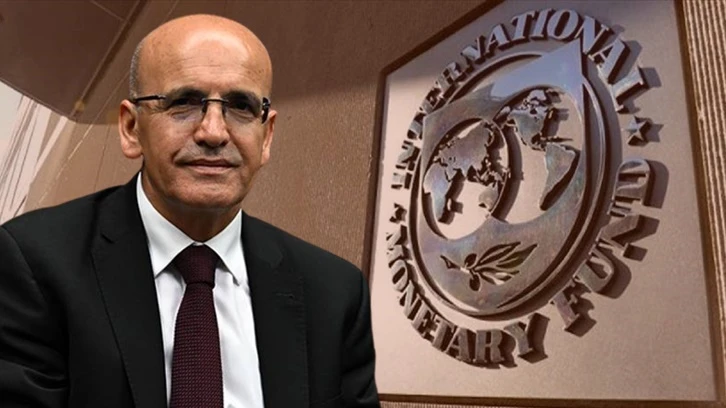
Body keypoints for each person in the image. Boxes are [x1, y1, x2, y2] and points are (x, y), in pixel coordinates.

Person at [0, 14, 379, 408]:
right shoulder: (35, 265)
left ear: (266, 137)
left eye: (241, 106)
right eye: (183, 103)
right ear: (131, 128)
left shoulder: (334, 294)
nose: (213, 132)